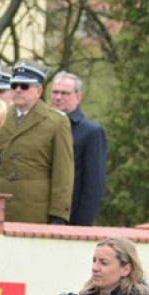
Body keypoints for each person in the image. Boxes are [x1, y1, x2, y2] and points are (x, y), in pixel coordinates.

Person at [0, 60, 74, 223]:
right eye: (14, 86)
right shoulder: (0, 116)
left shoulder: (56, 122)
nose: (18, 90)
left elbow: (63, 172)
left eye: (24, 86)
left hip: (35, 209)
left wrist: (58, 214)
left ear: (39, 90)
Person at [51, 72, 108, 226]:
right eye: (55, 92)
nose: (58, 97)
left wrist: (81, 227)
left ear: (78, 96)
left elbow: (93, 186)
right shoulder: (45, 127)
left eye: (64, 93)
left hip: (72, 219)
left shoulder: (91, 132)